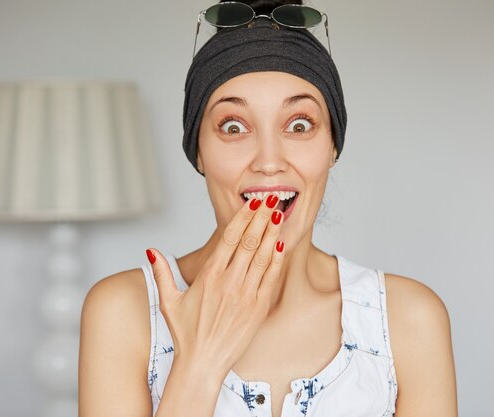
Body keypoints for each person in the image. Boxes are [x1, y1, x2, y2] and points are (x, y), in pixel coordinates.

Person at [78, 1, 458, 416]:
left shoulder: (408, 321)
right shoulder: (124, 313)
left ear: (332, 145)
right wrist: (200, 366)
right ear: (198, 151)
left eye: (299, 125)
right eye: (233, 126)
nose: (269, 160)